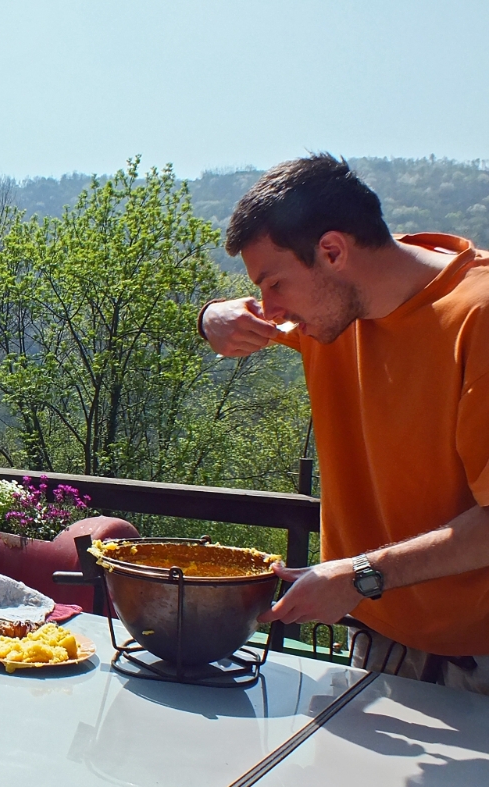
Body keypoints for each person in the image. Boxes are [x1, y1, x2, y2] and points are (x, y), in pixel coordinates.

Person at [199, 153, 489, 694]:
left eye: (274, 284)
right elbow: (225, 322)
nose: (269, 308)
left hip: (478, 659)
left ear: (332, 250)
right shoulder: (336, 305)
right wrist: (210, 316)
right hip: (375, 635)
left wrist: (360, 574)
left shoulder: (478, 317)